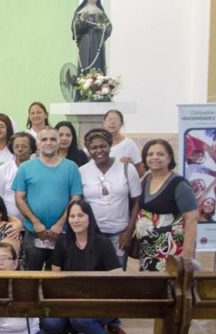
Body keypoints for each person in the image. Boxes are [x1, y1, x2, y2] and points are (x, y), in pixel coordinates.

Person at [41, 200, 122, 334]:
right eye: (72, 216)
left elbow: (118, 277)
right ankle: (76, 331)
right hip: (70, 300)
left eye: (80, 215)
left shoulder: (102, 243)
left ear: (89, 217)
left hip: (97, 301)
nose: (76, 220)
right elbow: (54, 276)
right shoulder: (63, 242)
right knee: (50, 323)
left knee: (80, 319)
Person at [13, 128, 83, 270]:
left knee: (60, 277)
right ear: (38, 144)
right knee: (31, 276)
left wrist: (60, 224)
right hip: (33, 232)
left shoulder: (71, 167)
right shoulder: (26, 168)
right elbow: (19, 198)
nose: (48, 143)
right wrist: (36, 223)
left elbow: (75, 198)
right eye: (44, 139)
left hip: (63, 233)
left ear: (58, 143)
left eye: (53, 139)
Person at [80, 128, 141, 270]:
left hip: (119, 233)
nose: (99, 151)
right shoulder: (82, 171)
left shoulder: (127, 168)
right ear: (88, 150)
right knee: (93, 273)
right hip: (93, 234)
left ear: (110, 146)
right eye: (93, 147)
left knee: (116, 274)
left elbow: (137, 201)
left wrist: (129, 231)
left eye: (103, 146)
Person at [135, 139, 197, 272]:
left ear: (169, 158)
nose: (154, 157)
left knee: (170, 284)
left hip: (172, 252)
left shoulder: (179, 185)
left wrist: (187, 255)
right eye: (150, 154)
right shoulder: (146, 179)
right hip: (149, 251)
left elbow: (191, 219)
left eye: (160, 154)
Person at [0, 131, 36, 221]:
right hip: (8, 220)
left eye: (24, 146)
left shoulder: (38, 168)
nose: (20, 149)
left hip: (33, 220)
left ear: (31, 149)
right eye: (16, 146)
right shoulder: (4, 169)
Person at [72, 0, 112, 75]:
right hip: (85, 41)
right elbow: (75, 27)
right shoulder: (81, 11)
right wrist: (82, 19)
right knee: (85, 63)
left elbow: (109, 27)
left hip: (97, 41)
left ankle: (98, 81)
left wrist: (102, 28)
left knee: (98, 65)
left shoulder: (100, 12)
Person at [103, 110, 144, 177]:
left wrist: (131, 165)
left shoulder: (129, 144)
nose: (112, 122)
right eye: (109, 119)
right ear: (104, 123)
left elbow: (140, 171)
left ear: (121, 123)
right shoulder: (96, 145)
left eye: (116, 119)